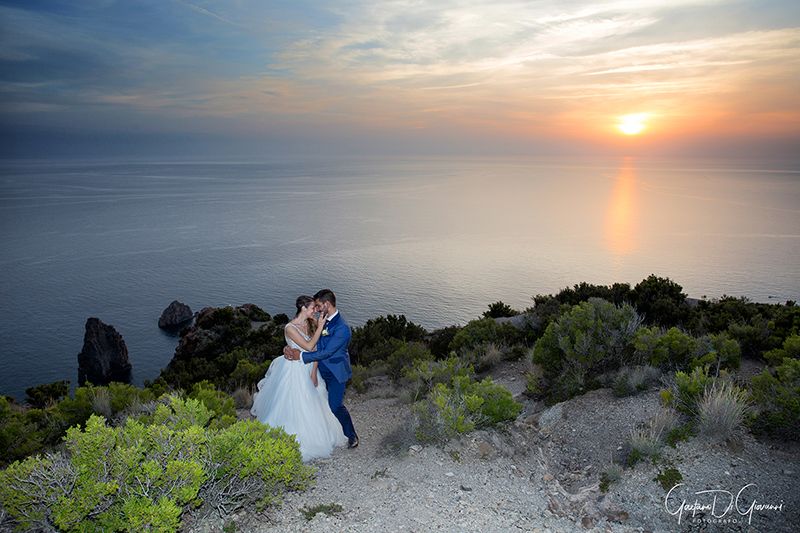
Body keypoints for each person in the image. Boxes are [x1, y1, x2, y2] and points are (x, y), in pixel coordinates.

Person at [250, 295, 347, 461]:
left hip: (309, 366)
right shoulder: (290, 328)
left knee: (314, 401)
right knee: (292, 402)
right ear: (303, 308)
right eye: (311, 308)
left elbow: (317, 348)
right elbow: (309, 346)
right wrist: (320, 327)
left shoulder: (311, 323)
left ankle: (319, 433)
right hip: (293, 370)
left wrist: (313, 371)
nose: (315, 311)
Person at [284, 289, 359, 448]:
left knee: (335, 405)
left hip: (335, 372)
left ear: (327, 304)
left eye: (318, 306)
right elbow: (309, 341)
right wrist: (288, 348)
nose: (316, 309)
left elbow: (327, 352)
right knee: (313, 404)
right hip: (317, 368)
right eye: (315, 307)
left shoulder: (342, 327)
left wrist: (301, 357)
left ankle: (351, 435)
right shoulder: (320, 319)